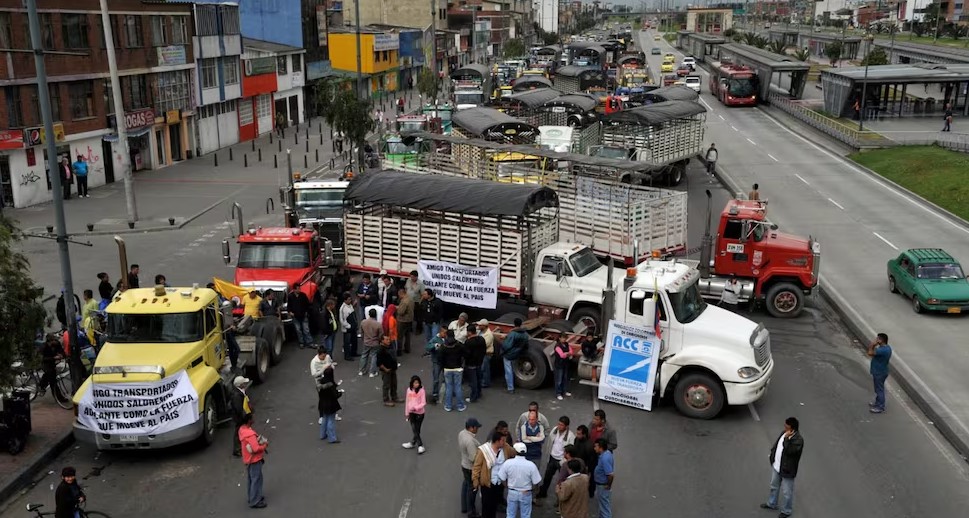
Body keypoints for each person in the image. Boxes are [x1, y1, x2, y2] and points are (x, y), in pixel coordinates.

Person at [760, 417, 804, 518]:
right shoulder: (784, 433)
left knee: (787, 492)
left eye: (786, 427)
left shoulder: (798, 440)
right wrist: (772, 453)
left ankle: (786, 511)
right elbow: (777, 444)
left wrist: (786, 439)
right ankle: (772, 503)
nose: (784, 428)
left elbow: (789, 451)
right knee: (774, 486)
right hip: (777, 466)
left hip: (787, 470)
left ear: (792, 429)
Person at [497, 442, 543, 518]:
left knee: (510, 514)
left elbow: (502, 478)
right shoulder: (531, 465)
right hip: (526, 492)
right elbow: (536, 482)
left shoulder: (508, 463)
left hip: (512, 492)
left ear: (515, 451)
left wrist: (507, 486)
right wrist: (531, 489)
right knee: (525, 515)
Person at [537, 416, 575, 501]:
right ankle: (543, 492)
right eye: (559, 424)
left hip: (562, 460)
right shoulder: (554, 431)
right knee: (547, 477)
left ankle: (560, 499)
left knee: (562, 480)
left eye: (561, 425)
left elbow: (570, 450)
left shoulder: (571, 436)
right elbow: (550, 444)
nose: (559, 426)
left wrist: (564, 461)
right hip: (552, 457)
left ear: (566, 426)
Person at [473, 430, 508, 518]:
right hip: (487, 484)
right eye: (503, 440)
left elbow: (515, 452)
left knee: (493, 506)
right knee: (486, 507)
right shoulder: (483, 451)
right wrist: (475, 480)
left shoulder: (505, 448)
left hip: (498, 484)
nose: (504, 442)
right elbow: (476, 467)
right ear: (497, 441)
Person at [239, 413, 268, 508]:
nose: (253, 420)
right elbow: (255, 449)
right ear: (248, 421)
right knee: (257, 479)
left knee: (251, 479)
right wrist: (264, 446)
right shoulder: (250, 434)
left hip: (248, 460)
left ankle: (252, 497)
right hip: (255, 460)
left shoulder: (242, 431)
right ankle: (255, 500)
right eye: (252, 418)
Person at [459, 418, 483, 517]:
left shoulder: (462, 433)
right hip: (470, 468)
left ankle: (464, 506)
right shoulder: (470, 441)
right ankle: (471, 511)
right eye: (476, 427)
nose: (478, 429)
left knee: (466, 484)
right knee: (472, 489)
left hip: (464, 464)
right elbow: (473, 458)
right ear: (472, 428)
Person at [440, 329, 467, 412]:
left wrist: (443, 367)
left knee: (449, 387)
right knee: (458, 387)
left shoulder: (443, 346)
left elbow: (440, 358)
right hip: (458, 368)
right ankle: (460, 406)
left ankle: (448, 406)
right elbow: (466, 353)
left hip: (447, 369)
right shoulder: (459, 345)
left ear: (447, 336)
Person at [867, 332, 893, 414]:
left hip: (879, 372)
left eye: (877, 338)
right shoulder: (887, 348)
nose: (876, 340)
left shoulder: (882, 350)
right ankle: (877, 403)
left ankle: (880, 407)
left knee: (879, 390)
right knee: (878, 388)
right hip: (882, 371)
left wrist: (872, 345)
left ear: (881, 340)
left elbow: (870, 353)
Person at [502, 318, 529, 393]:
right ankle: (515, 383)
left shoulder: (512, 334)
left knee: (508, 371)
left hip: (509, 354)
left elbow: (507, 345)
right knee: (514, 369)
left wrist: (503, 341)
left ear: (514, 324)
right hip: (518, 353)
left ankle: (510, 387)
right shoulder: (525, 334)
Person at [402, 375, 427, 454]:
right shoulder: (409, 390)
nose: (416, 384)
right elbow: (407, 401)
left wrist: (415, 408)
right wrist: (407, 412)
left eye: (417, 383)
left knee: (417, 429)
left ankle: (416, 444)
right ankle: (418, 445)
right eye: (415, 383)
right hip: (411, 413)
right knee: (414, 429)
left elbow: (423, 402)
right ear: (412, 383)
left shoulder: (421, 391)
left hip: (419, 413)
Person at [317, 367, 342, 443]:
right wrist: (340, 393)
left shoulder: (320, 381)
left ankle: (322, 435)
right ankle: (332, 438)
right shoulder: (331, 384)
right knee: (331, 421)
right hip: (330, 405)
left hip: (322, 403)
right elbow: (335, 395)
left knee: (324, 419)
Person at [229, 376, 252, 457]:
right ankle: (237, 450)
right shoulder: (237, 396)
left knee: (240, 431)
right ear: (240, 385)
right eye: (244, 383)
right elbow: (239, 409)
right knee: (238, 432)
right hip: (240, 418)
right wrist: (245, 417)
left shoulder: (240, 392)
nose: (245, 384)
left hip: (241, 417)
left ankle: (241, 447)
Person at [38, 334, 64, 401]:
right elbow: (42, 359)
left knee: (51, 376)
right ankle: (58, 397)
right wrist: (53, 358)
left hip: (52, 363)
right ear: (50, 341)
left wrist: (61, 354)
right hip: (45, 363)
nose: (56, 341)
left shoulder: (57, 344)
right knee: (52, 378)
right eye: (54, 340)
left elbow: (61, 350)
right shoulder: (43, 347)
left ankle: (42, 385)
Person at [593, 438, 615, 518]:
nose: (594, 448)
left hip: (603, 486)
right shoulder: (606, 454)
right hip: (601, 485)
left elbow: (610, 475)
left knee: (605, 509)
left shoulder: (605, 458)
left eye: (596, 446)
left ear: (600, 447)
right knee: (602, 507)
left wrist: (608, 486)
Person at [464, 325, 486, 403]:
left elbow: (466, 354)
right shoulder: (481, 339)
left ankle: (473, 397)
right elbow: (484, 350)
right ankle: (479, 393)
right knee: (478, 379)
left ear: (469, 332)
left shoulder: (468, 342)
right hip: (479, 362)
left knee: (473, 381)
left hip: (471, 364)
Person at [287, 284, 313, 349]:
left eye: (299, 288)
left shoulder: (303, 295)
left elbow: (308, 305)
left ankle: (309, 342)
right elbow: (289, 306)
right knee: (298, 330)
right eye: (298, 289)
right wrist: (290, 312)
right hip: (295, 316)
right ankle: (301, 342)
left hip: (303, 315)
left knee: (306, 329)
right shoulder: (290, 296)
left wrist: (306, 312)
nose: (299, 290)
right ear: (294, 289)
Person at [377, 336, 401, 406]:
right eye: (386, 340)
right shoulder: (380, 350)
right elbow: (379, 363)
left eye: (389, 339)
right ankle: (386, 399)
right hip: (386, 370)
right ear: (382, 341)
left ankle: (394, 397)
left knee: (394, 384)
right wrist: (385, 369)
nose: (389, 341)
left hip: (393, 369)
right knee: (386, 385)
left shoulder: (389, 347)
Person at [360, 308, 383, 377]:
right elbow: (381, 334)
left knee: (364, 355)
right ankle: (372, 372)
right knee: (374, 356)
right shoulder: (378, 324)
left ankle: (361, 370)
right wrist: (379, 341)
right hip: (375, 342)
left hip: (366, 341)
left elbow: (362, 332)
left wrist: (363, 339)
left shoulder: (363, 322)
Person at [426, 325, 447, 404]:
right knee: (436, 379)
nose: (445, 334)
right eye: (444, 333)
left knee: (446, 378)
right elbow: (427, 347)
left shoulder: (446, 339)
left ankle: (448, 392)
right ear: (440, 332)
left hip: (444, 362)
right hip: (437, 362)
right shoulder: (435, 339)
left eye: (446, 333)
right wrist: (434, 346)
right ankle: (435, 393)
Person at [219, 300, 241, 371]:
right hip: (228, 333)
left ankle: (233, 365)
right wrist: (231, 326)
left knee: (232, 349)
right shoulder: (223, 314)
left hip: (229, 332)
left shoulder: (226, 313)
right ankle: (234, 365)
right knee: (236, 349)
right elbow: (226, 324)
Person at [552, 335, 572, 400]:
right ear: (560, 338)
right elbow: (562, 355)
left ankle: (564, 391)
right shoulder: (557, 346)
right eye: (563, 338)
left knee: (565, 378)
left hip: (565, 364)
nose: (564, 339)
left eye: (565, 338)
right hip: (559, 365)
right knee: (559, 380)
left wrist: (566, 353)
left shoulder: (566, 344)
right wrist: (567, 353)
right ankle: (558, 393)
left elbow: (571, 352)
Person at [340, 293, 358, 360]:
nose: (350, 300)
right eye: (348, 299)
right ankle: (347, 356)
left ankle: (354, 353)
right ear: (345, 300)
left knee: (354, 341)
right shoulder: (342, 308)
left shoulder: (350, 305)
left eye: (350, 299)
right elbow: (342, 320)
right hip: (347, 329)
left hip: (353, 327)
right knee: (347, 342)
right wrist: (348, 326)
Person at [395, 288, 414, 354]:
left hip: (402, 320)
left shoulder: (404, 301)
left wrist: (397, 308)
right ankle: (407, 349)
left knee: (400, 336)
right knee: (407, 335)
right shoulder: (410, 299)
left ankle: (399, 351)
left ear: (401, 294)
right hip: (409, 319)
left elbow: (401, 312)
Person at [477, 319, 495, 388]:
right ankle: (482, 381)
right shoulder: (480, 332)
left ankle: (485, 382)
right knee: (482, 368)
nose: (478, 326)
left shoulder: (489, 335)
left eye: (480, 325)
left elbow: (484, 345)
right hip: (482, 354)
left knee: (484, 369)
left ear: (484, 326)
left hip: (486, 354)